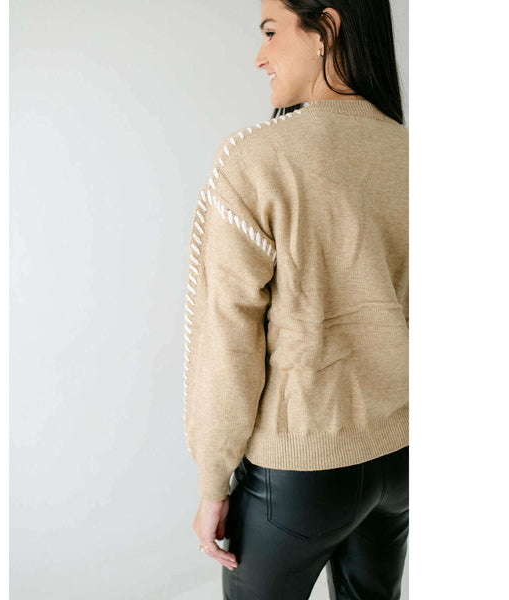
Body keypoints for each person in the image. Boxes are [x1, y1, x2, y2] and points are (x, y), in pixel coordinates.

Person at [182, 0, 408, 598]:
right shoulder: (410, 152)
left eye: (271, 31)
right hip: (403, 456)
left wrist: (212, 483)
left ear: (326, 28)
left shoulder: (257, 157)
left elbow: (227, 336)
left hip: (300, 472)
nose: (260, 56)